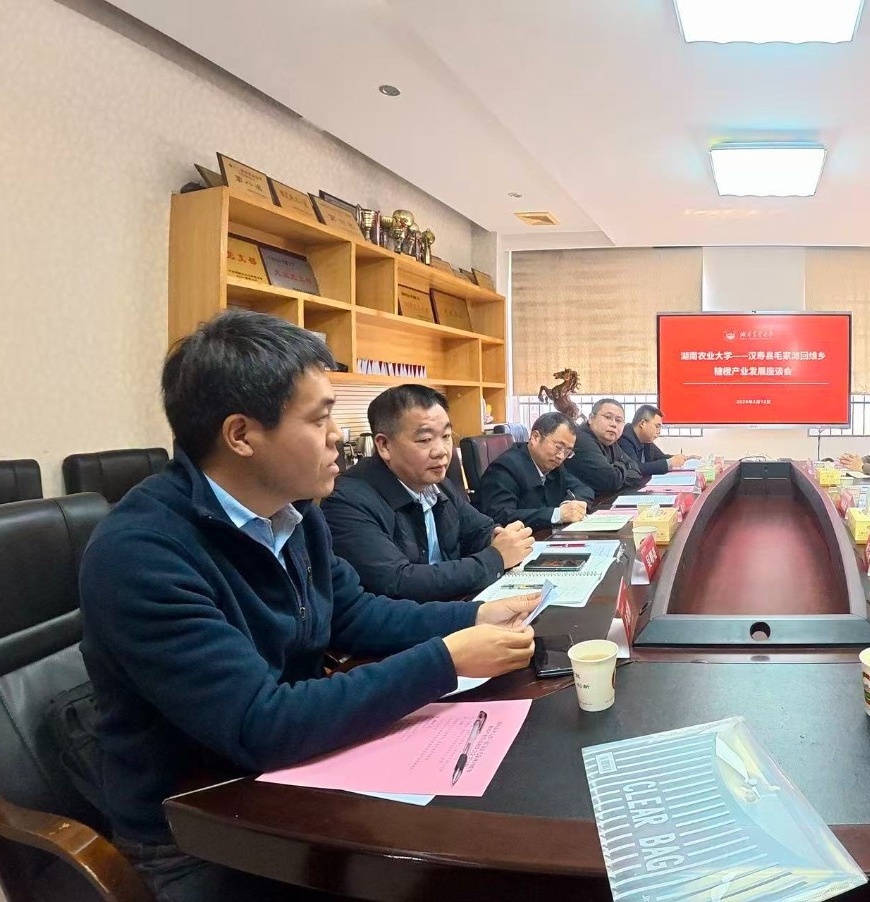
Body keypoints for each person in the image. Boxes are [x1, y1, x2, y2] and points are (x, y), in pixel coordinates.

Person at [79, 310, 540, 902]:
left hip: (288, 776)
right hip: (197, 827)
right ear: (241, 435)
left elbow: (354, 613)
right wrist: (446, 660)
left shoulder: (293, 512)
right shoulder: (142, 553)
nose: (338, 437)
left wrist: (472, 617)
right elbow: (260, 723)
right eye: (320, 419)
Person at [324, 384, 534, 600]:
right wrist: (495, 559)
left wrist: (500, 537)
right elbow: (398, 581)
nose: (441, 451)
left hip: (455, 604)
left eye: (446, 436)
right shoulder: (347, 501)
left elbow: (478, 529)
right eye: (425, 440)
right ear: (384, 445)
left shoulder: (436, 483)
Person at [477, 411, 596, 527]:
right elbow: (500, 516)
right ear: (535, 437)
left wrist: (571, 505)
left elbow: (584, 489)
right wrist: (556, 515)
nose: (561, 456)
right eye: (558, 447)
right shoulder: (504, 468)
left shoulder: (553, 466)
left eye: (567, 452)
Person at [566, 398, 644, 496]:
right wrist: (621, 466)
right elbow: (610, 480)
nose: (613, 424)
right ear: (591, 418)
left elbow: (636, 471)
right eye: (608, 417)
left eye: (618, 420)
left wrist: (616, 468)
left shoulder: (609, 441)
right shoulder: (581, 439)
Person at [618, 404, 692, 476]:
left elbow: (660, 457)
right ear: (642, 423)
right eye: (657, 426)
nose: (659, 431)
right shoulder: (624, 439)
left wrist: (684, 459)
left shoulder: (646, 439)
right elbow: (635, 468)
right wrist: (670, 463)